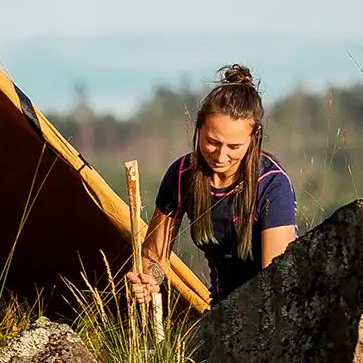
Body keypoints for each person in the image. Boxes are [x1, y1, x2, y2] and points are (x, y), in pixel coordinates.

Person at [128, 64, 298, 307]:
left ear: (254, 139)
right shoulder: (182, 174)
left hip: (268, 310)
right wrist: (149, 281)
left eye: (234, 147)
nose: (220, 155)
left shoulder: (272, 184)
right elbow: (153, 259)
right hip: (219, 308)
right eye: (212, 142)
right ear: (199, 127)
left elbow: (277, 281)